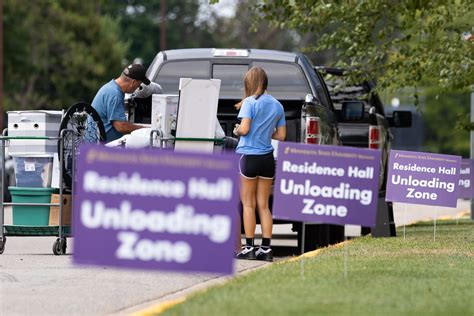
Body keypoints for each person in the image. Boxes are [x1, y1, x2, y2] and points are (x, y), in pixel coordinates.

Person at [233, 66, 286, 262]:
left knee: (248, 204)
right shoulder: (277, 105)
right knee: (264, 205)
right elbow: (281, 135)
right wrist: (265, 133)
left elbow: (245, 129)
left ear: (250, 83)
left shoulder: (249, 102)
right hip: (267, 159)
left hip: (248, 157)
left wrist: (238, 130)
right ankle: (266, 249)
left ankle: (249, 247)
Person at [92, 64, 151, 142]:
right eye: (139, 85)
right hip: (100, 144)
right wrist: (146, 129)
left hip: (95, 139)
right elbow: (121, 127)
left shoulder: (111, 87)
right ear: (133, 82)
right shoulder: (115, 94)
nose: (138, 88)